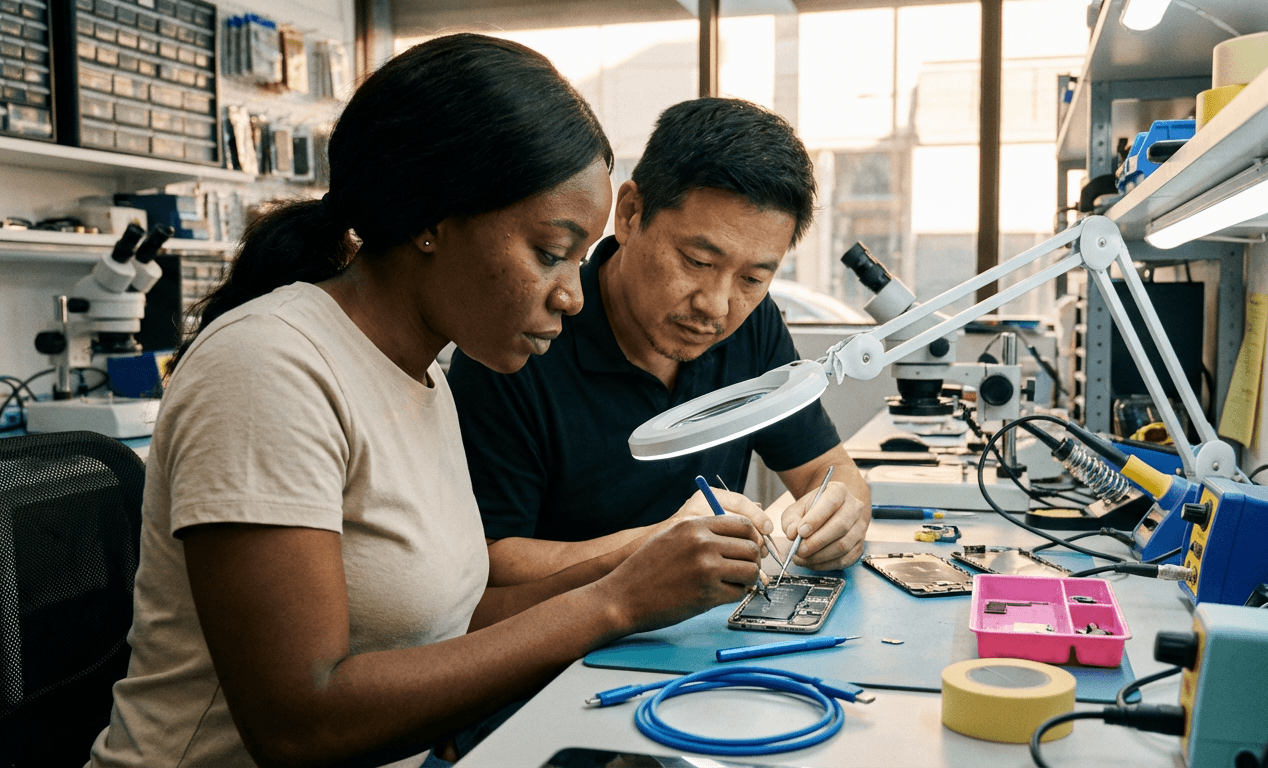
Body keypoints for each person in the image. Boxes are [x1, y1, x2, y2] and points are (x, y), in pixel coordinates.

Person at [88, 35, 766, 768]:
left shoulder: (424, 376)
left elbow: (448, 624)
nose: (572, 295)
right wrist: (614, 604)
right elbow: (299, 724)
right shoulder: (269, 367)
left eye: (578, 259)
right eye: (549, 251)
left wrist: (639, 570)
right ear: (430, 218)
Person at [449, 97, 872, 589]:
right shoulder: (519, 341)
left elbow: (827, 468)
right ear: (629, 214)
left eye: (753, 278)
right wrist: (656, 546)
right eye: (697, 261)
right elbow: (490, 559)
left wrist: (842, 513)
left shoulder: (754, 328)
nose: (716, 306)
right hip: (572, 653)